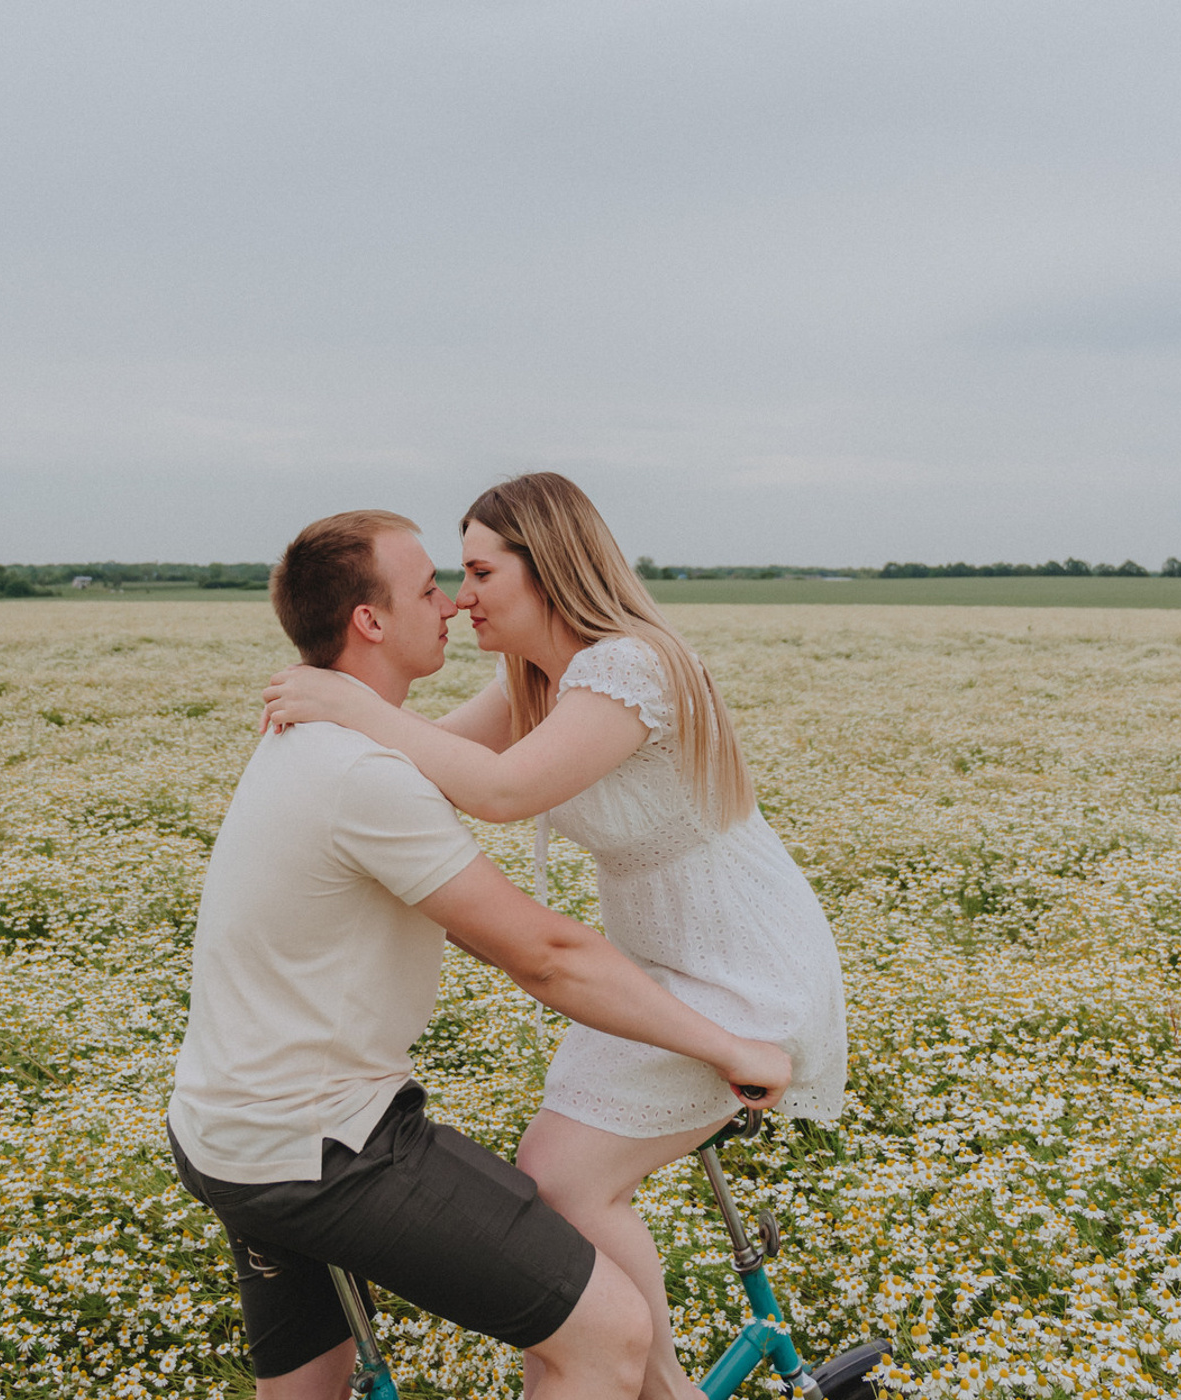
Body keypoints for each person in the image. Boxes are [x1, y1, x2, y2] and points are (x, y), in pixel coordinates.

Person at [168, 508, 794, 1400]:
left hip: (226, 1129)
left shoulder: (318, 741)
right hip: (324, 1146)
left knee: (307, 1388)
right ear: (370, 622)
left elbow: (477, 908)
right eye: (429, 587)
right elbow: (543, 953)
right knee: (612, 1336)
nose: (452, 606)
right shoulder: (360, 771)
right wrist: (727, 1045)